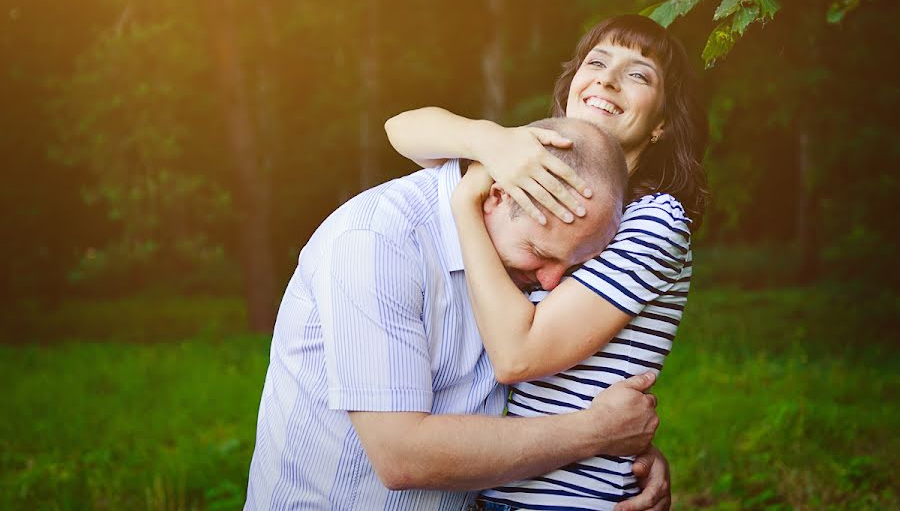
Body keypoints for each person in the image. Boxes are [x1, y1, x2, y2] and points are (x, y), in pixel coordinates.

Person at [244, 117, 663, 511]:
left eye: (572, 266)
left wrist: (629, 457)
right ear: (498, 195)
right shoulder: (378, 241)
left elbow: (539, 409)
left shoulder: (514, 260)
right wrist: (596, 434)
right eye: (539, 253)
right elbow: (402, 456)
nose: (552, 282)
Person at [384, 14, 709, 510]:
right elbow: (400, 128)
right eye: (596, 62)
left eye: (639, 73)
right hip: (499, 483)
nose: (606, 78)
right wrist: (489, 141)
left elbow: (520, 356)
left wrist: (465, 206)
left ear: (663, 121)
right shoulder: (532, 165)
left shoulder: (655, 219)